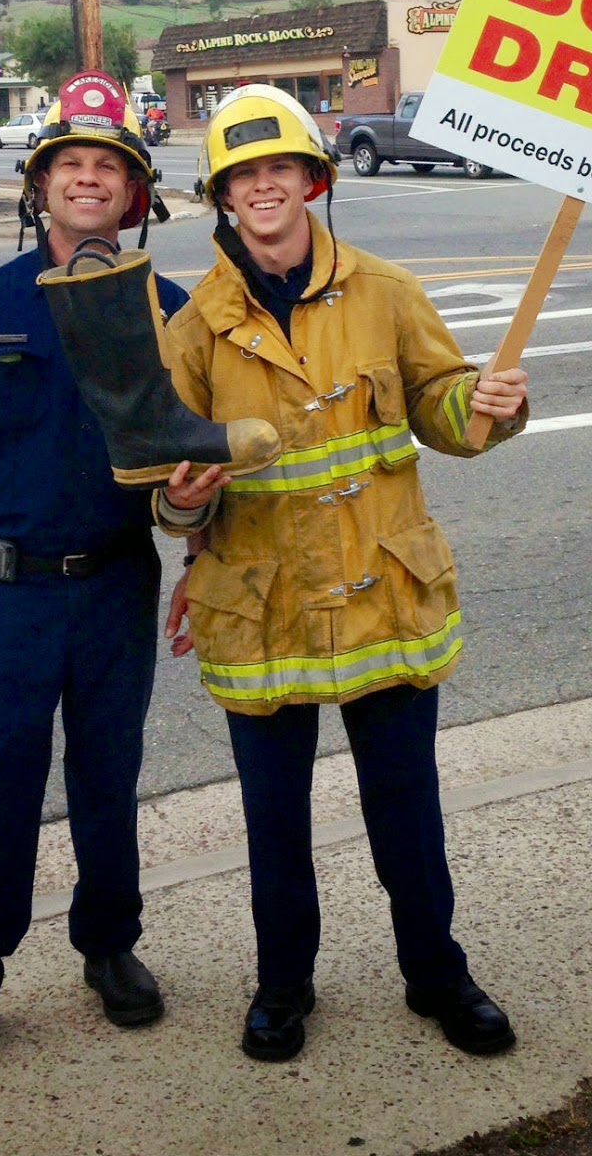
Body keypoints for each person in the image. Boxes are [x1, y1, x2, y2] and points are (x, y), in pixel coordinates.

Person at [158, 85, 530, 1064]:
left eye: (279, 167)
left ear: (312, 180)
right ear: (223, 196)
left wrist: (484, 405)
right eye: (243, 175)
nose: (263, 187)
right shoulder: (193, 328)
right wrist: (187, 496)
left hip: (385, 597)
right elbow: (162, 494)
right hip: (263, 614)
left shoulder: (386, 291)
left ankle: (436, 974)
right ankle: (282, 986)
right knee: (273, 825)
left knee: (404, 808)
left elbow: (443, 411)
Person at [0, 70, 188, 1088]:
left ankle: (107, 945)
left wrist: (203, 555)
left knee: (107, 782)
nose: (89, 179)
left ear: (134, 196)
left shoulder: (170, 310)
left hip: (113, 584)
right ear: (41, 187)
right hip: (5, 592)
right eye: (71, 165)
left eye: (109, 167)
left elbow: (196, 465)